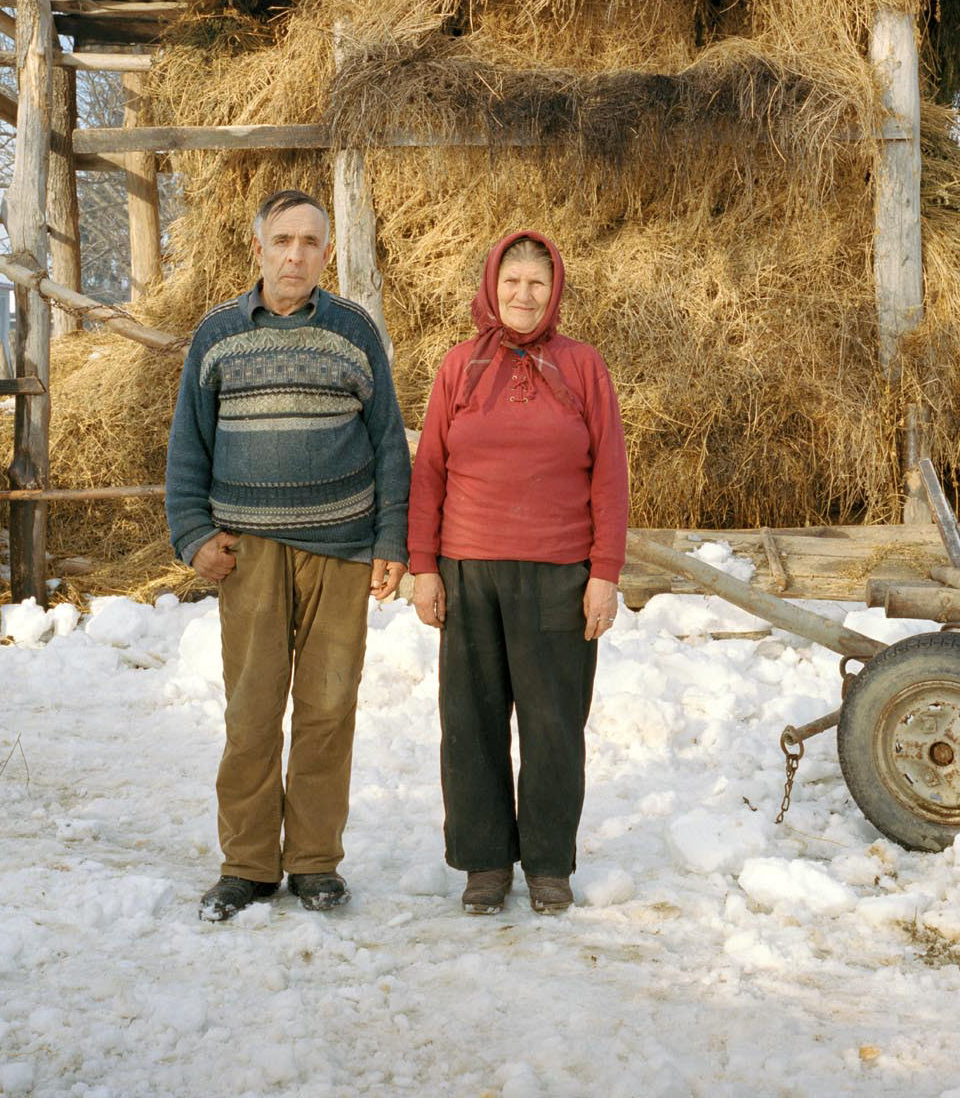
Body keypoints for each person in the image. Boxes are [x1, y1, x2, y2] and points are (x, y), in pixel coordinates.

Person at [167, 188, 411, 922]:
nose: (295, 254)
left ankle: (314, 863)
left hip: (340, 548)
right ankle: (246, 864)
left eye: (310, 241)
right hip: (251, 554)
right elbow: (188, 447)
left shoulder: (354, 333)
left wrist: (391, 540)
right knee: (251, 711)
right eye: (283, 240)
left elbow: (388, 445)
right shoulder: (216, 336)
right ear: (259, 248)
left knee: (328, 708)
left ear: (327, 253)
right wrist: (193, 535)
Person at [408, 230, 628, 915]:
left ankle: (548, 865)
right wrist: (424, 567)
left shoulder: (583, 366)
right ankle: (483, 865)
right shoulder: (459, 367)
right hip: (469, 569)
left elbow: (611, 476)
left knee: (553, 724)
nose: (523, 296)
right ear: (491, 288)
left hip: (559, 574)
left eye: (536, 283)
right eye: (511, 284)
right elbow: (429, 474)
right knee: (470, 723)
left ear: (554, 289)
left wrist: (604, 572)